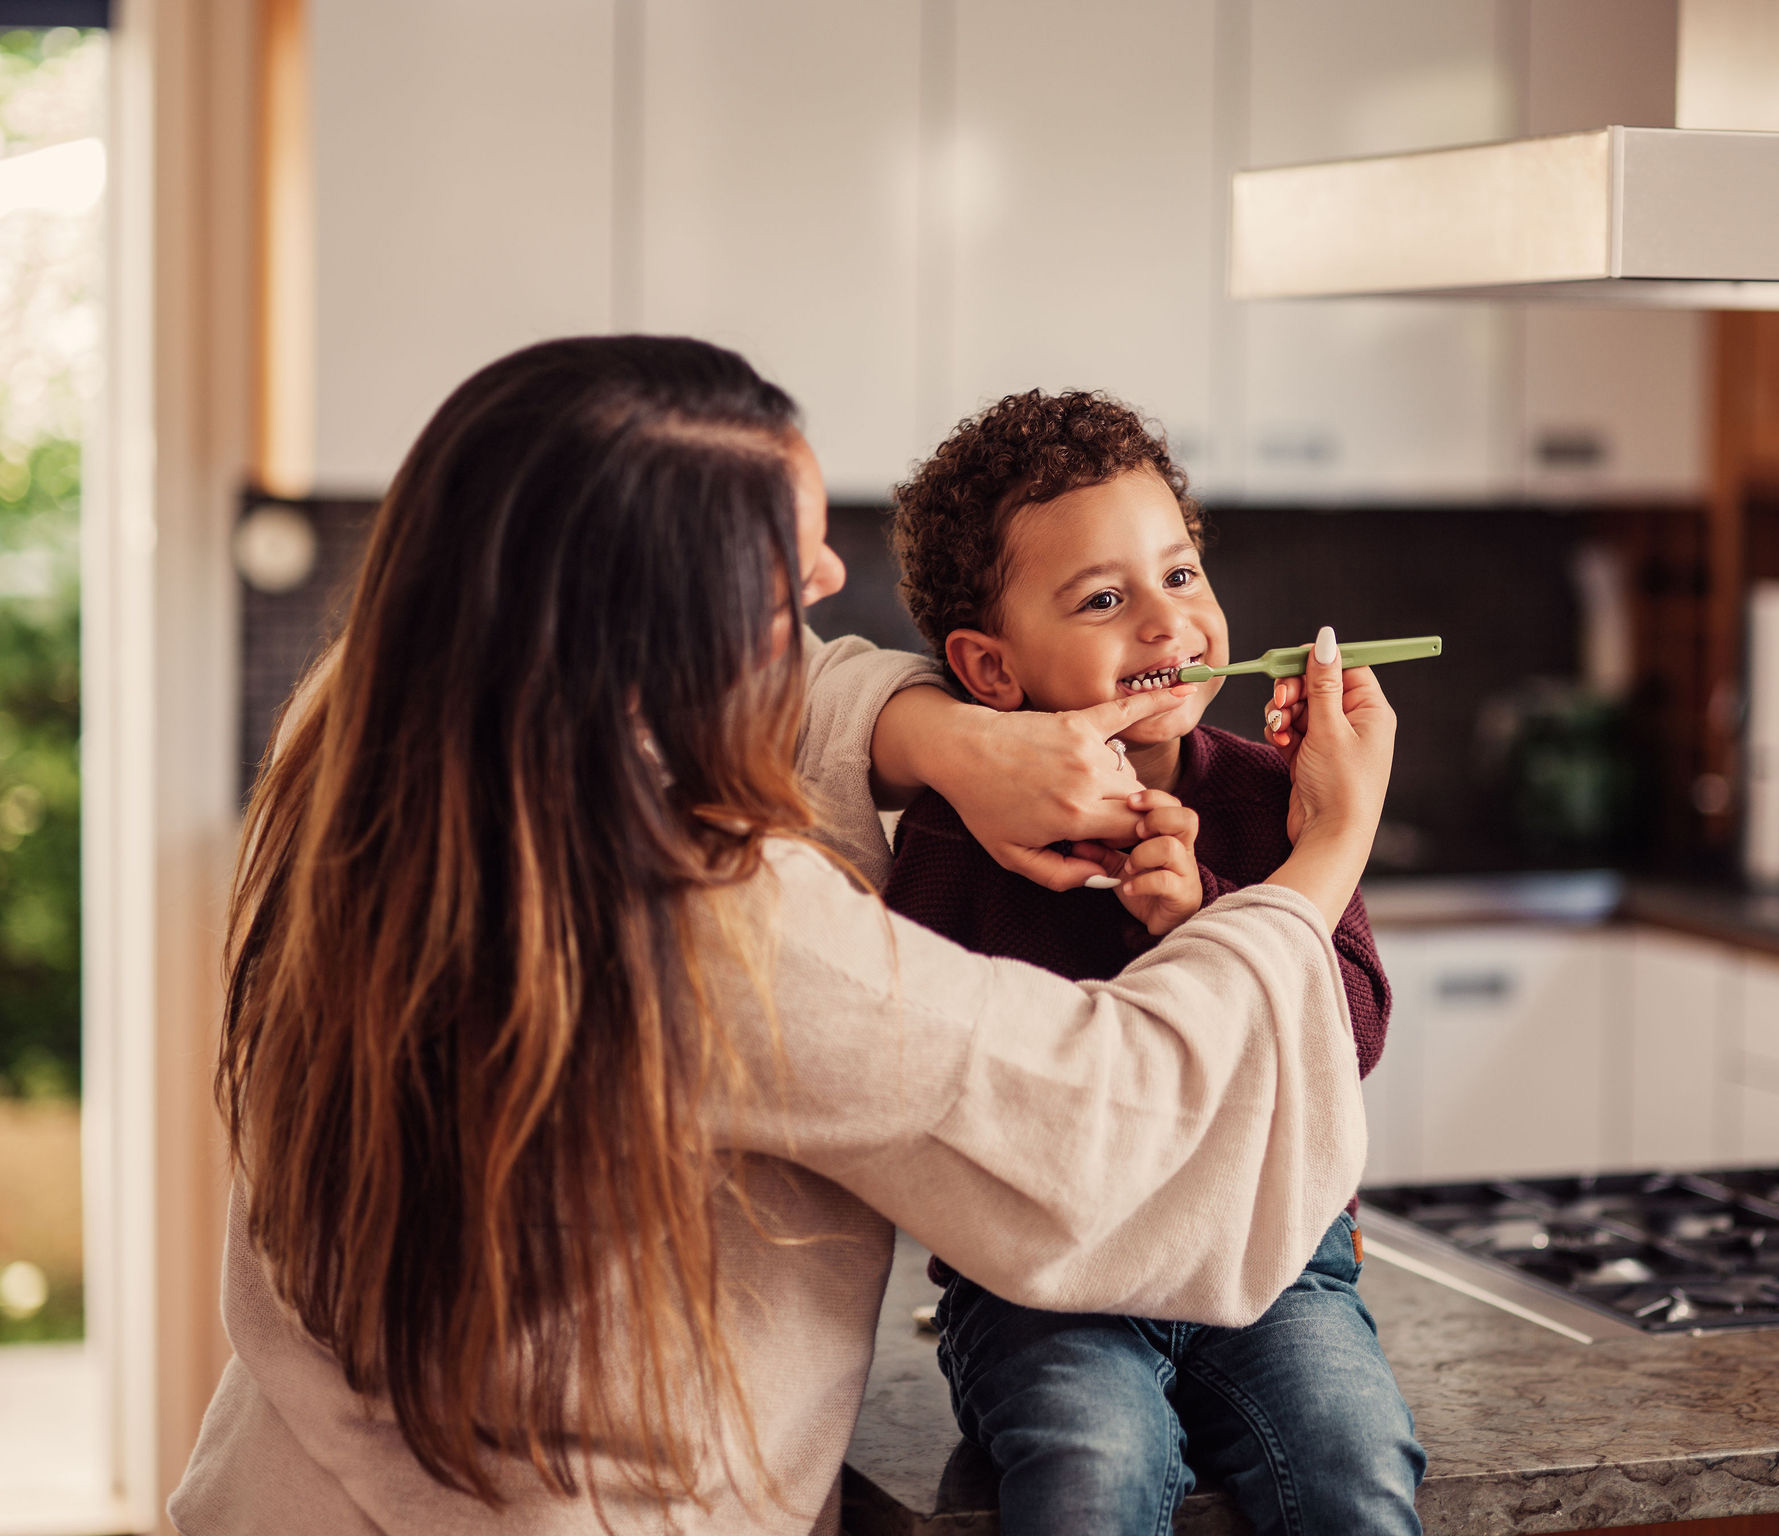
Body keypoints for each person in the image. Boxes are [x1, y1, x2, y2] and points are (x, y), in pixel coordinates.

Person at [168, 336, 1398, 1536]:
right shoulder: (704, 917)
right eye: (778, 573)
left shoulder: (358, 743)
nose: (821, 584)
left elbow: (803, 681)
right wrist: (1327, 849)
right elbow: (1111, 1126)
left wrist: (946, 740)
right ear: (653, 626)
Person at [883, 390, 1425, 1536]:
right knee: (1094, 1466)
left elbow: (1358, 1028)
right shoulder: (952, 830)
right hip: (1046, 1277)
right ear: (989, 669)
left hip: (1274, 1255)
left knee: (1353, 1457)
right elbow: (939, 1070)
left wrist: (1218, 917)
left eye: (1179, 577)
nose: (1167, 626)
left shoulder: (1284, 798)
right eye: (1101, 598)